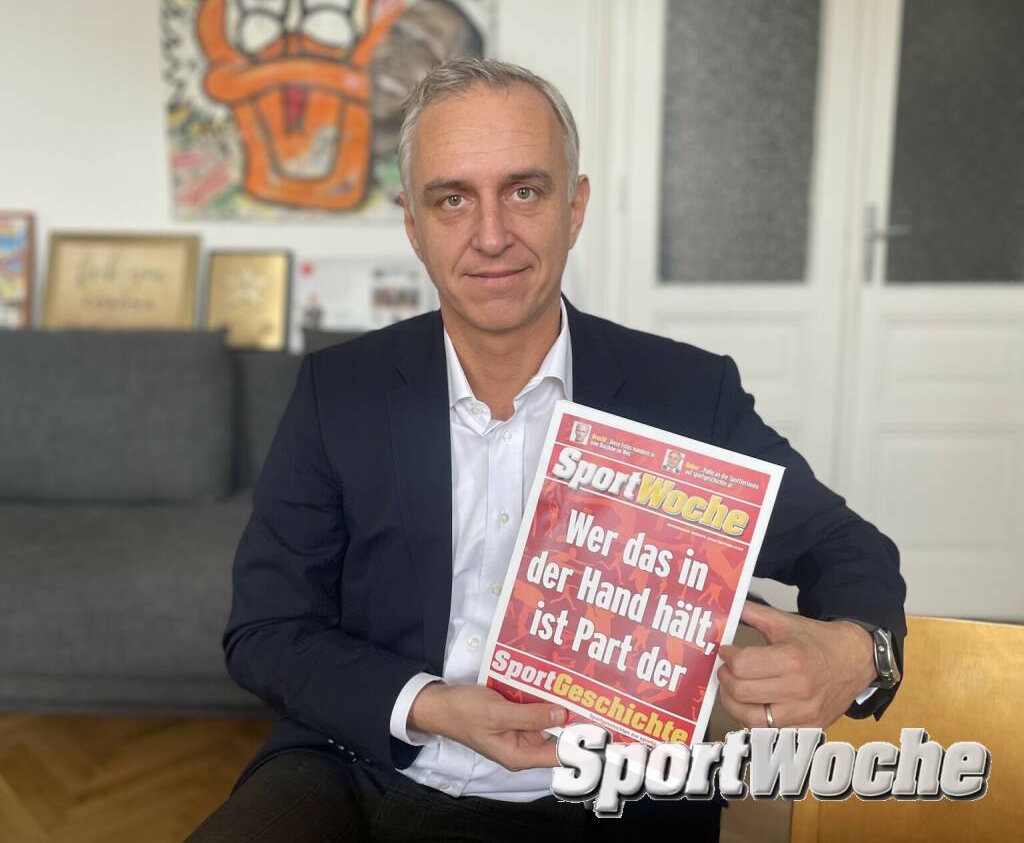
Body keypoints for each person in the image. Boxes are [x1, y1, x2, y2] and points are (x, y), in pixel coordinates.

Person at [188, 57, 906, 842]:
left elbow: (846, 548)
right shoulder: (339, 392)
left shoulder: (685, 395)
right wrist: (430, 705)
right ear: (413, 226)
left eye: (524, 191)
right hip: (363, 768)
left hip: (609, 795)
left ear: (575, 207)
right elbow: (266, 631)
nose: (492, 236)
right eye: (453, 199)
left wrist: (857, 652)